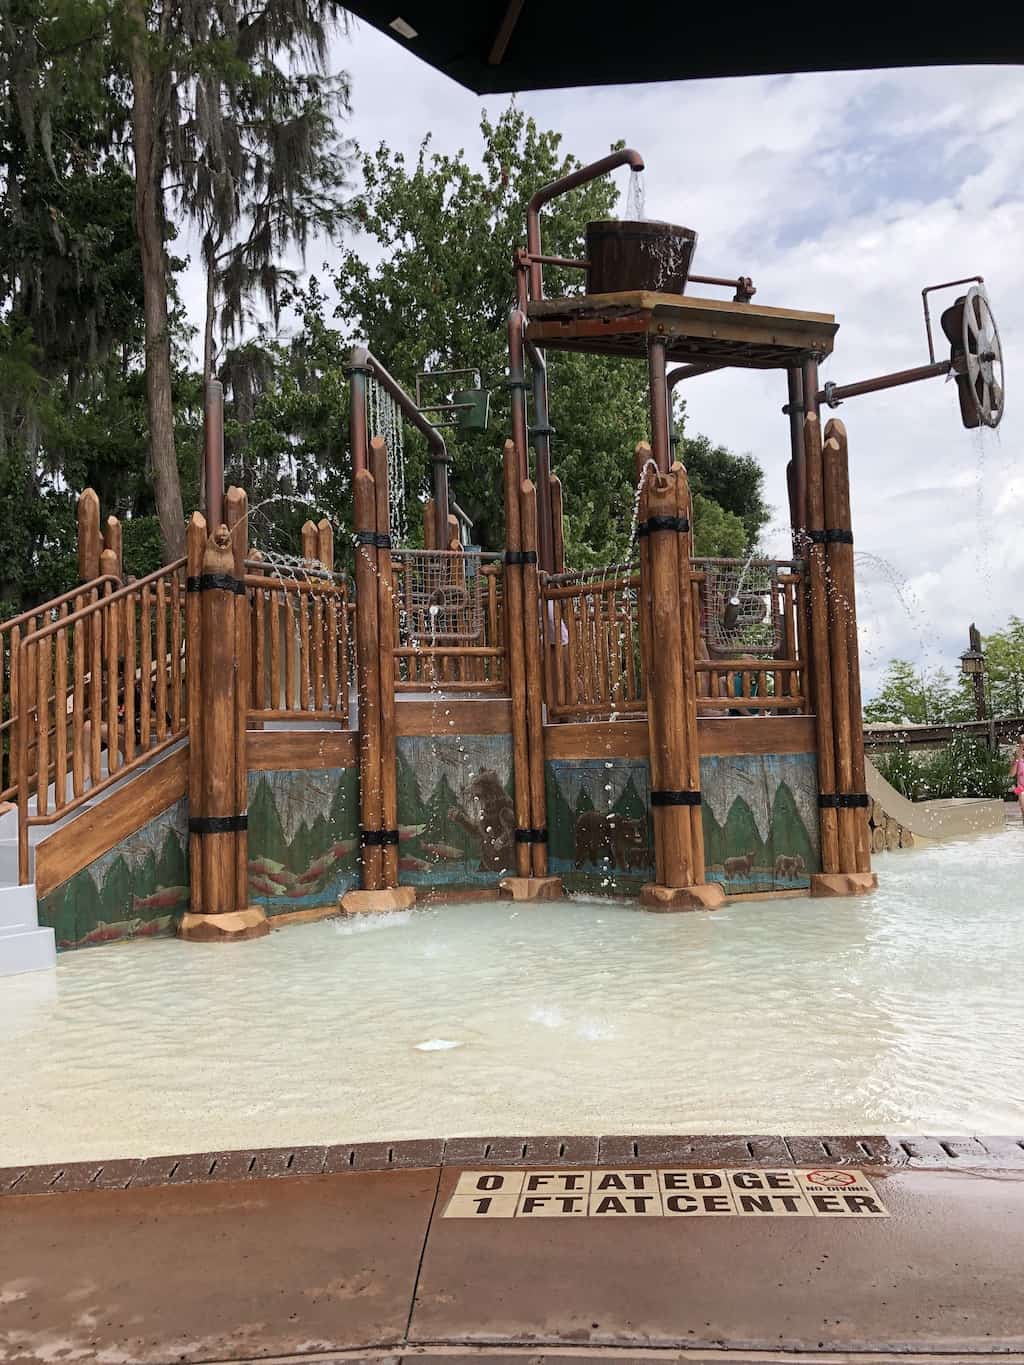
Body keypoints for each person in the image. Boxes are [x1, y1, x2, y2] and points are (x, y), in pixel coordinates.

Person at [1010, 738, 1024, 819]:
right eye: (1022, 742)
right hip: (1020, 788)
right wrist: (1017, 759)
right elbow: (1012, 774)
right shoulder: (1017, 759)